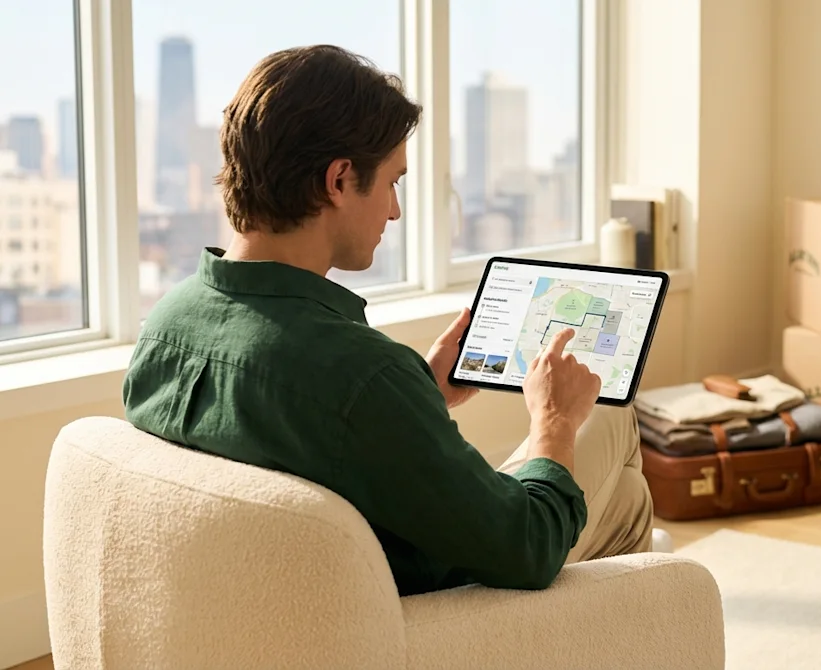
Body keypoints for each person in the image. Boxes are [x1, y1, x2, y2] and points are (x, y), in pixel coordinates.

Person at [121, 44, 666, 597]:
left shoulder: (167, 323)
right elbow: (527, 549)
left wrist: (421, 390)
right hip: (422, 615)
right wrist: (552, 421)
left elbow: (301, 438)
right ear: (338, 180)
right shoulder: (363, 375)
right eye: (392, 183)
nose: (394, 211)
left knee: (621, 496)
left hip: (257, 602)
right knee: (610, 425)